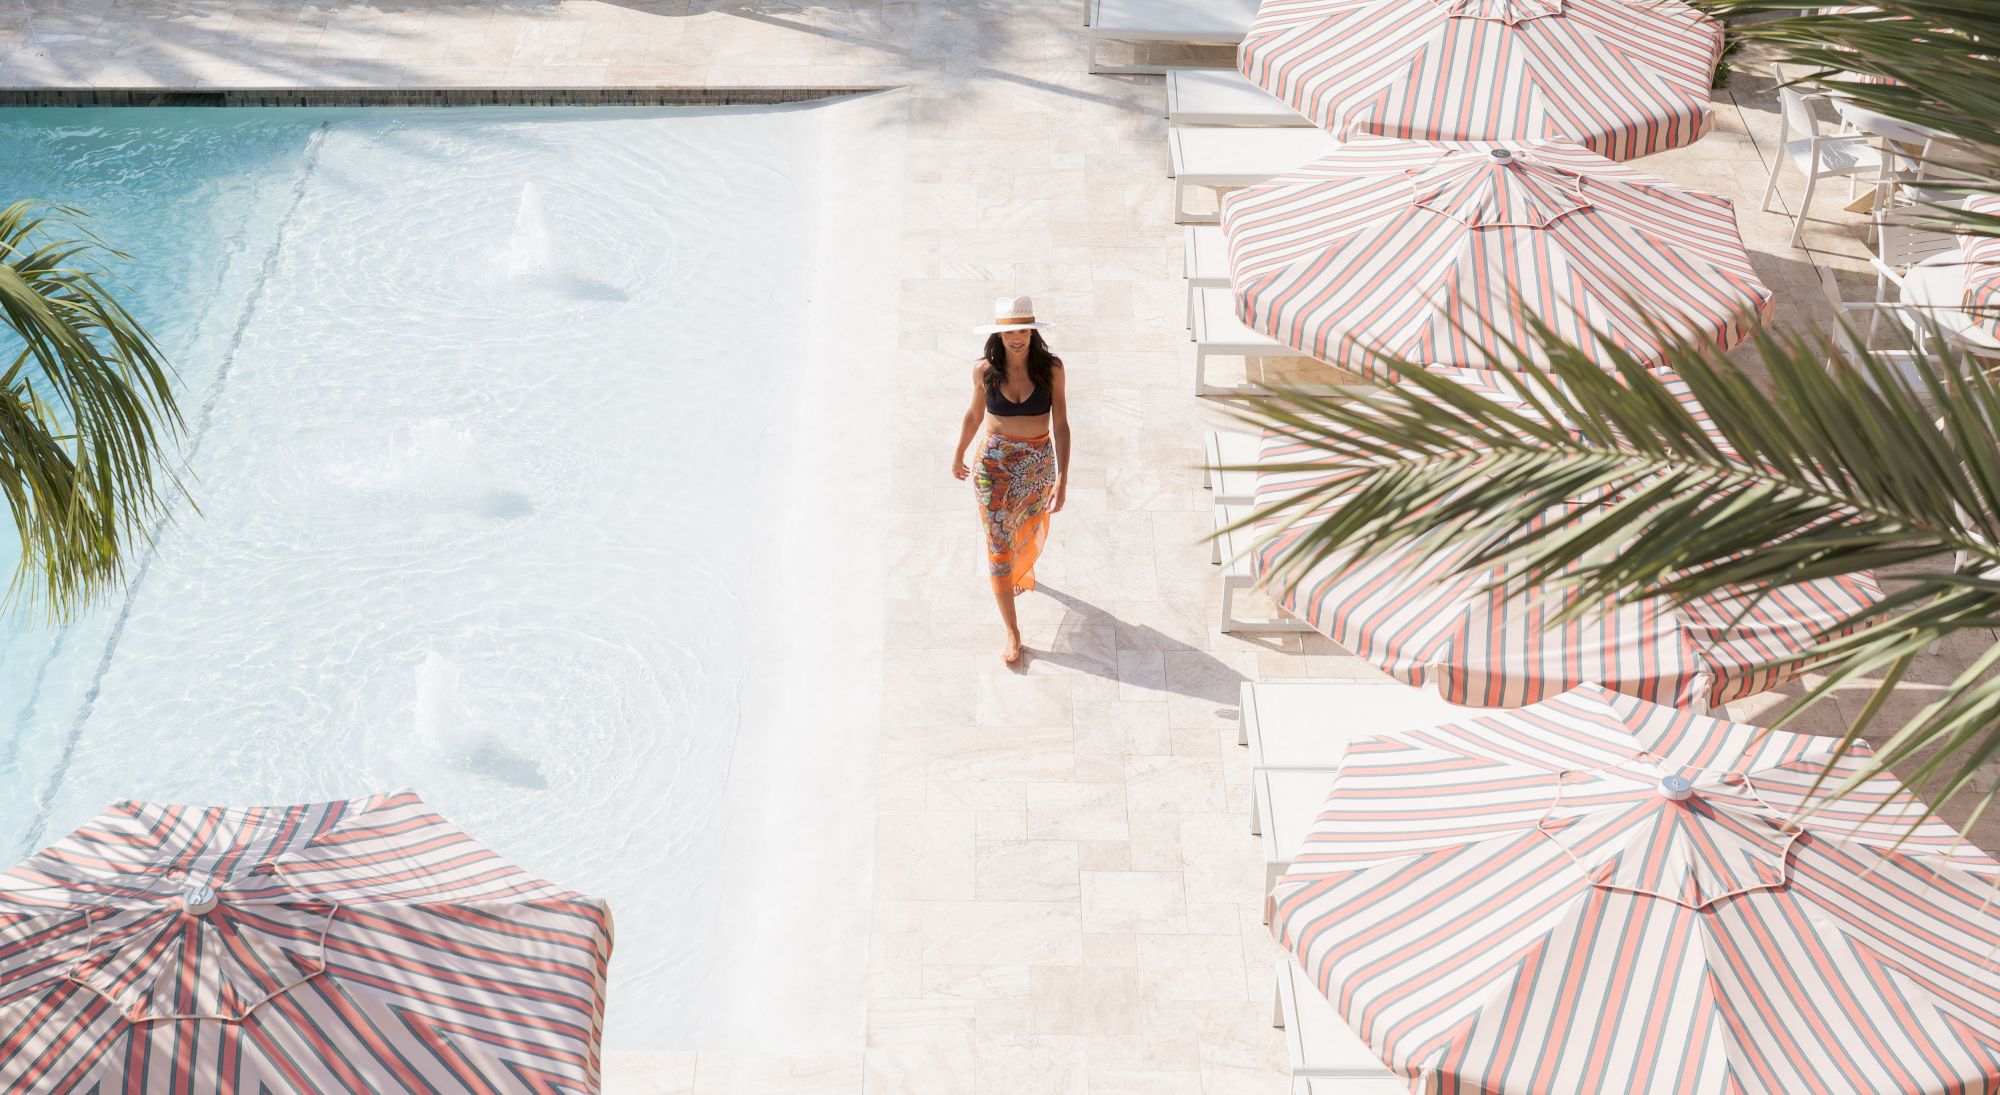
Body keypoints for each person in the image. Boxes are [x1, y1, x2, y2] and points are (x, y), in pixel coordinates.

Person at [951, 295, 1070, 666]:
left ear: (1032, 333)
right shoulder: (985, 371)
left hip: (1037, 464)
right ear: (998, 336)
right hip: (993, 466)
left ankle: (1018, 571)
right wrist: (958, 452)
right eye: (1009, 333)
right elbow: (973, 415)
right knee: (999, 547)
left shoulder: (1051, 369)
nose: (1016, 338)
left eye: (1022, 330)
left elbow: (1062, 425)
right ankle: (1014, 633)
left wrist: (1062, 479)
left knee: (1024, 526)